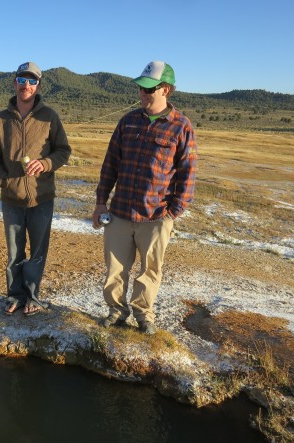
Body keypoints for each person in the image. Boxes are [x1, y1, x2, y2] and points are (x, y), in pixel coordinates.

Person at [92, 61, 197, 335]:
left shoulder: (181, 127)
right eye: (141, 87)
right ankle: (116, 311)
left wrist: (173, 213)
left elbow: (188, 173)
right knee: (115, 269)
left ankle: (143, 314)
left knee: (150, 269)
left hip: (156, 216)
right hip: (120, 212)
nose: (142, 93)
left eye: (149, 88)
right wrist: (101, 202)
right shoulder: (127, 122)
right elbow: (110, 165)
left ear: (167, 90)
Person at [0, 62, 71, 316]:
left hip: (42, 198)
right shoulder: (1, 119)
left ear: (38, 86)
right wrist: (4, 180)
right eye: (22, 80)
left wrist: (44, 164)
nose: (26, 85)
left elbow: (63, 151)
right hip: (11, 198)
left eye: (32, 81)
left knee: (38, 252)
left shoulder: (49, 117)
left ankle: (33, 297)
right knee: (14, 252)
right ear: (14, 84)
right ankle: (15, 296)